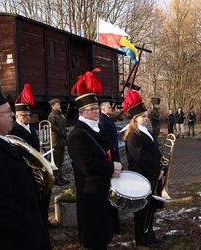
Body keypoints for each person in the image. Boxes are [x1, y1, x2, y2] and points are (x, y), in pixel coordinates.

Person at [0, 86, 51, 249]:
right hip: (20, 237)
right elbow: (0, 207)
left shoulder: (3, 141)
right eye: (8, 112)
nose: (12, 115)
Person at [68, 91, 122, 250]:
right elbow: (87, 165)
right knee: (95, 239)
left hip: (102, 190)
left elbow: (105, 153)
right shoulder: (77, 135)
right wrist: (111, 167)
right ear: (81, 112)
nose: (96, 111)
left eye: (97, 108)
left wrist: (115, 165)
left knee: (103, 236)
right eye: (91, 109)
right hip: (90, 194)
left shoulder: (94, 129)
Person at [122, 90, 164, 247]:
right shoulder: (133, 135)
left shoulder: (146, 130)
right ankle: (141, 237)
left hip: (151, 175)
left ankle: (150, 234)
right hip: (142, 177)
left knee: (151, 207)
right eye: (144, 116)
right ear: (135, 118)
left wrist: (162, 167)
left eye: (147, 115)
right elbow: (142, 158)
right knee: (142, 210)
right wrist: (156, 172)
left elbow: (154, 151)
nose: (147, 118)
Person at [9, 91, 56, 229]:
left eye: (29, 115)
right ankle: (35, 221)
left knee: (46, 192)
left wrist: (40, 152)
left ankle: (44, 219)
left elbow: (35, 146)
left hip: (37, 167)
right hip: (25, 168)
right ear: (17, 115)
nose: (28, 117)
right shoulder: (13, 130)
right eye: (24, 115)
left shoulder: (32, 129)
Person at [48, 98, 70, 186]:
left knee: (60, 161)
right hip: (56, 142)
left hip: (61, 141)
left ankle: (60, 177)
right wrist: (63, 132)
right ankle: (56, 179)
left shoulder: (60, 114)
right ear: (53, 106)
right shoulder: (52, 116)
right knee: (56, 161)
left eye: (59, 104)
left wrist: (65, 131)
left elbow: (63, 125)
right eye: (57, 105)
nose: (59, 106)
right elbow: (53, 127)